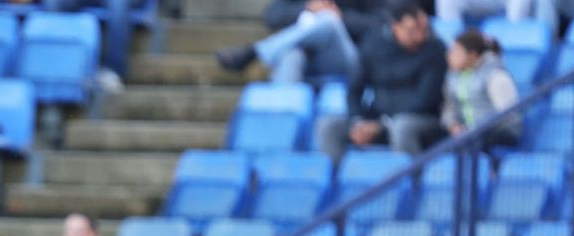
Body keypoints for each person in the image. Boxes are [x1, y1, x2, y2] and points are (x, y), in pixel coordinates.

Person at [313, 4, 446, 161]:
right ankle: (334, 180)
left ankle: (410, 182)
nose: (419, 36)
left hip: (421, 120)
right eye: (412, 31)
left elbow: (425, 100)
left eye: (424, 30)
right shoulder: (374, 44)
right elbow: (354, 89)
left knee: (401, 127)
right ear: (395, 27)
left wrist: (382, 124)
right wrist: (359, 121)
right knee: (328, 126)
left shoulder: (435, 50)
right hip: (377, 118)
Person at [217, 0, 380, 84]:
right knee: (291, 55)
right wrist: (307, 7)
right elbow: (272, 16)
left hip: (348, 58)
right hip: (305, 55)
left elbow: (381, 24)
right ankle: (281, 124)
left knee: (328, 20)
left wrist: (342, 17)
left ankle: (256, 51)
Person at [441, 30, 520, 150]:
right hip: (467, 131)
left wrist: (473, 130)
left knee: (469, 142)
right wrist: (453, 125)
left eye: (456, 52)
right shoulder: (452, 75)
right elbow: (449, 106)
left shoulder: (495, 75)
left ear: (472, 56)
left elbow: (507, 115)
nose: (449, 56)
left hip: (498, 132)